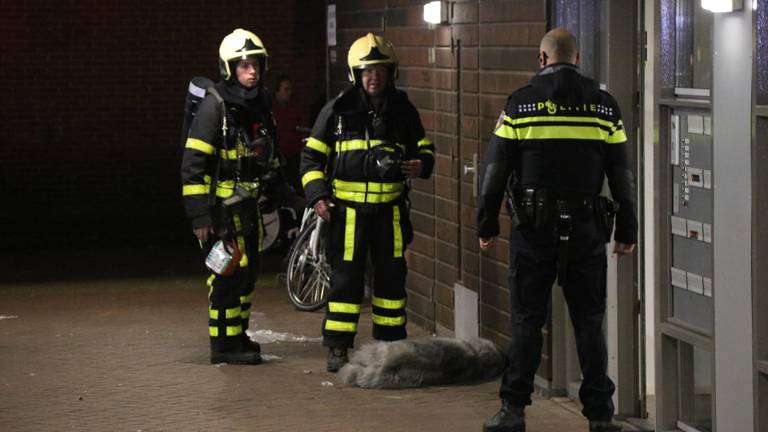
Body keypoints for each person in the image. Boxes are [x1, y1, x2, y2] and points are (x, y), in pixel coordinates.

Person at [476, 28, 637, 432]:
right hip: (586, 230)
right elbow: (621, 175)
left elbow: (494, 171)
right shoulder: (604, 108)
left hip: (533, 230)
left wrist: (487, 223)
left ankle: (513, 411)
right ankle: (600, 417)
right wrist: (627, 230)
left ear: (542, 59)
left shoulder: (519, 106)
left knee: (527, 322)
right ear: (578, 59)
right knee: (589, 322)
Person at [300, 33, 435, 373]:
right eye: (367, 71)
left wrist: (422, 164)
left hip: (389, 213)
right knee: (346, 280)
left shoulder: (403, 110)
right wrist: (318, 197)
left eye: (380, 70)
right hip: (347, 215)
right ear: (356, 75)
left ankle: (391, 347)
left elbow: (425, 148)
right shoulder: (338, 111)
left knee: (391, 281)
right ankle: (338, 347)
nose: (373, 77)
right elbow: (310, 160)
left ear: (391, 73)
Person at [181, 28, 277, 365]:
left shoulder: (260, 106)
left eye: (256, 65)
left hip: (249, 212)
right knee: (226, 279)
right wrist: (199, 217)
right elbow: (192, 166)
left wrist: (284, 195)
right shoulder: (214, 108)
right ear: (229, 68)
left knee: (248, 278)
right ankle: (222, 346)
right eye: (244, 65)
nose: (252, 71)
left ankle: (237, 334)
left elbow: (268, 158)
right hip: (220, 216)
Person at [272, 74, 307, 195]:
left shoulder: (295, 107)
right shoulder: (271, 110)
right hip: (278, 159)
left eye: (290, 89)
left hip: (295, 157)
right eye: (286, 90)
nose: (289, 93)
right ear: (277, 91)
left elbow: (302, 130)